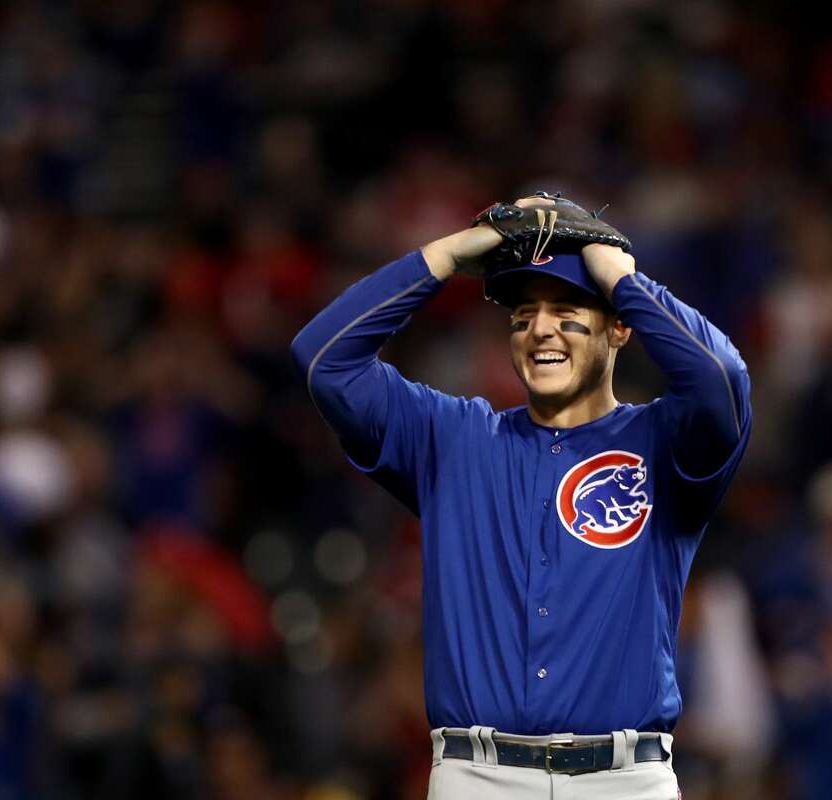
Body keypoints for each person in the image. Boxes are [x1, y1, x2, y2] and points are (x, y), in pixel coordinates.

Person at [290, 194, 752, 799]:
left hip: (625, 780)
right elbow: (325, 360)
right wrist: (449, 255)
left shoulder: (664, 444)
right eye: (522, 313)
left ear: (618, 326)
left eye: (566, 310)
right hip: (476, 776)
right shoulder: (451, 440)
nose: (539, 329)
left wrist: (619, 275)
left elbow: (722, 378)